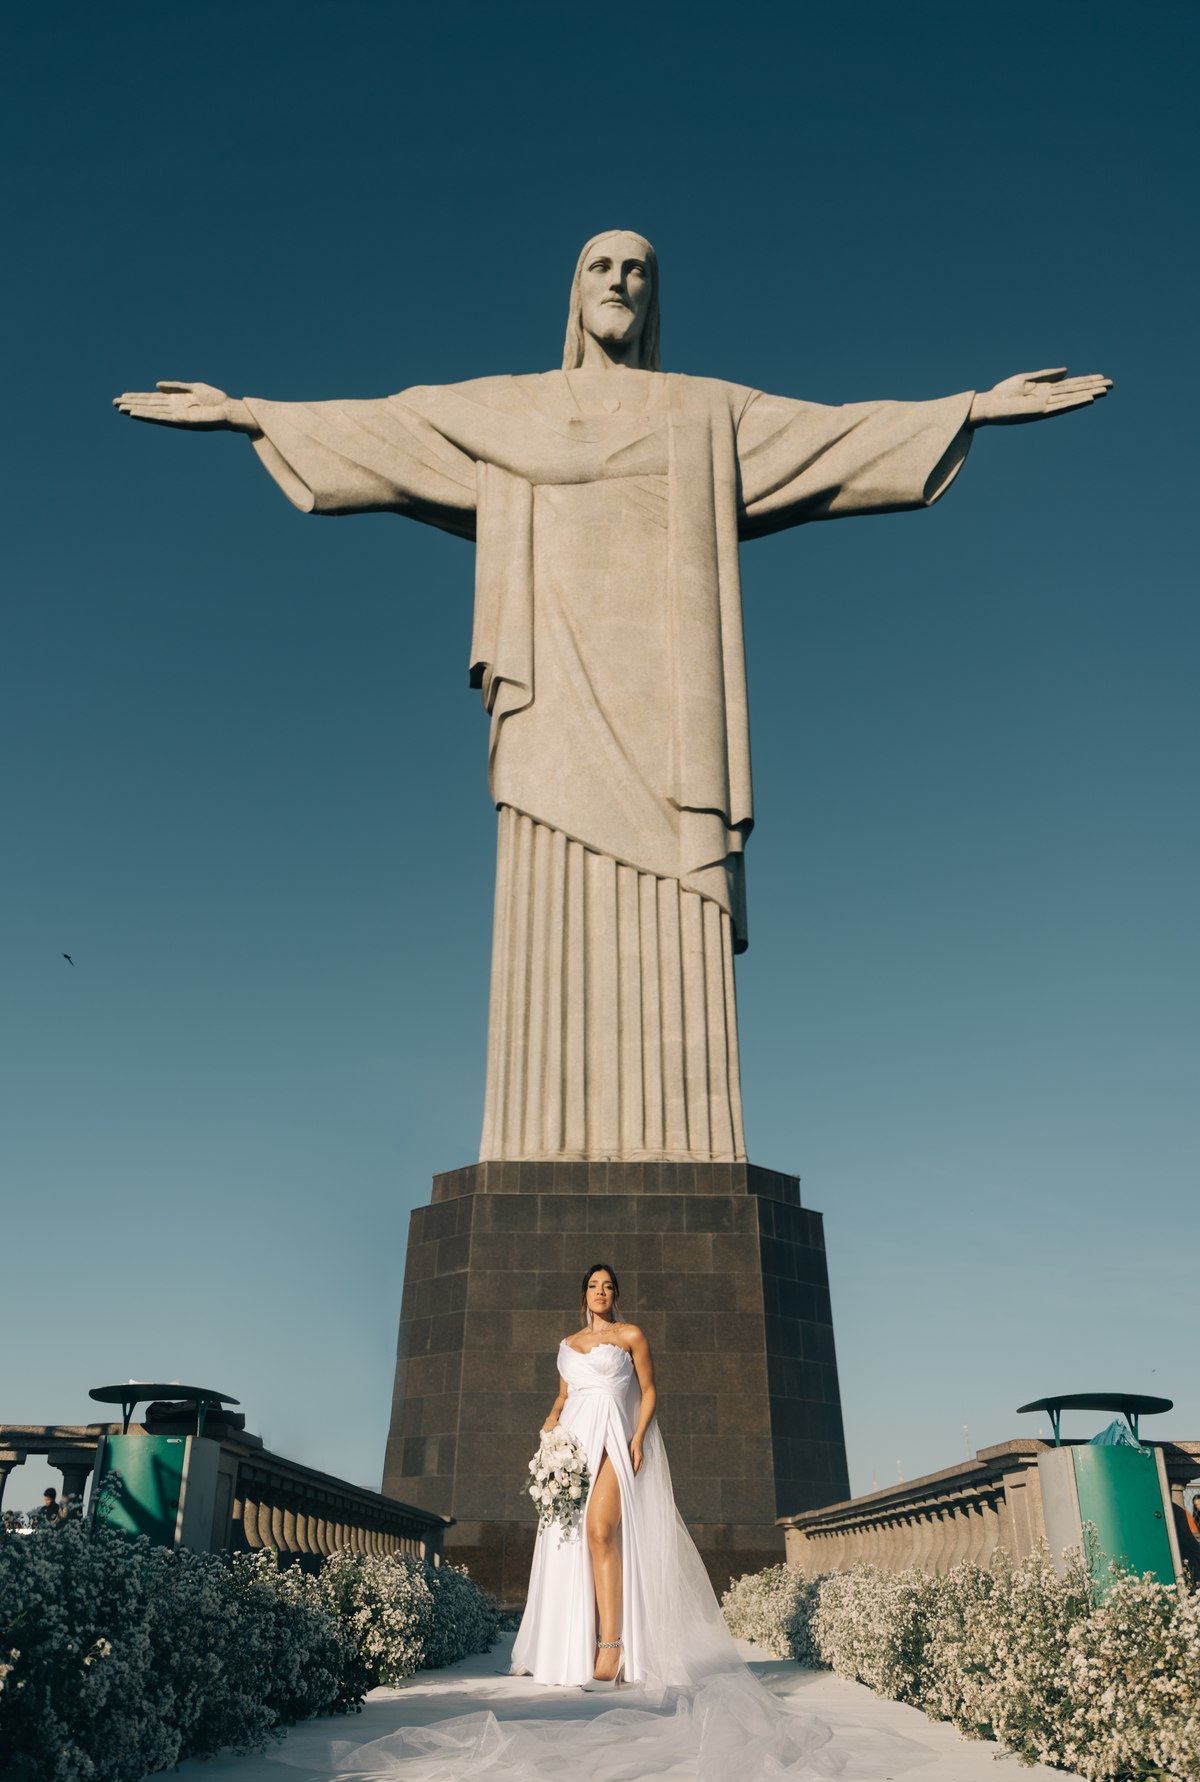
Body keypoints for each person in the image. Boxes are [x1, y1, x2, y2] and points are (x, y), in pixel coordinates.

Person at [112, 232, 1111, 1170]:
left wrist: (971, 408)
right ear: (575, 289)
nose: (622, 283)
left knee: (677, 897)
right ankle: (536, 1134)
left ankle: (685, 1136)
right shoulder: (509, 409)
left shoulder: (703, 412)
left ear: (655, 293)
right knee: (547, 892)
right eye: (602, 266)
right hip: (552, 693)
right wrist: (249, 412)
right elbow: (390, 427)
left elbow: (833, 439)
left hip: (671, 710)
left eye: (639, 269)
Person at [510, 1264, 743, 1689]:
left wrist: (638, 1438)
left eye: (609, 1287)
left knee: (601, 1533)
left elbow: (649, 1389)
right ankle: (570, 1645)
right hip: (572, 1447)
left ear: (616, 1295)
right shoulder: (567, 1345)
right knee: (569, 1539)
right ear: (584, 1296)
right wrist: (550, 1420)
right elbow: (564, 1396)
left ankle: (611, 1646)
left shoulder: (630, 1335)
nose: (601, 1292)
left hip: (616, 1439)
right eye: (594, 1286)